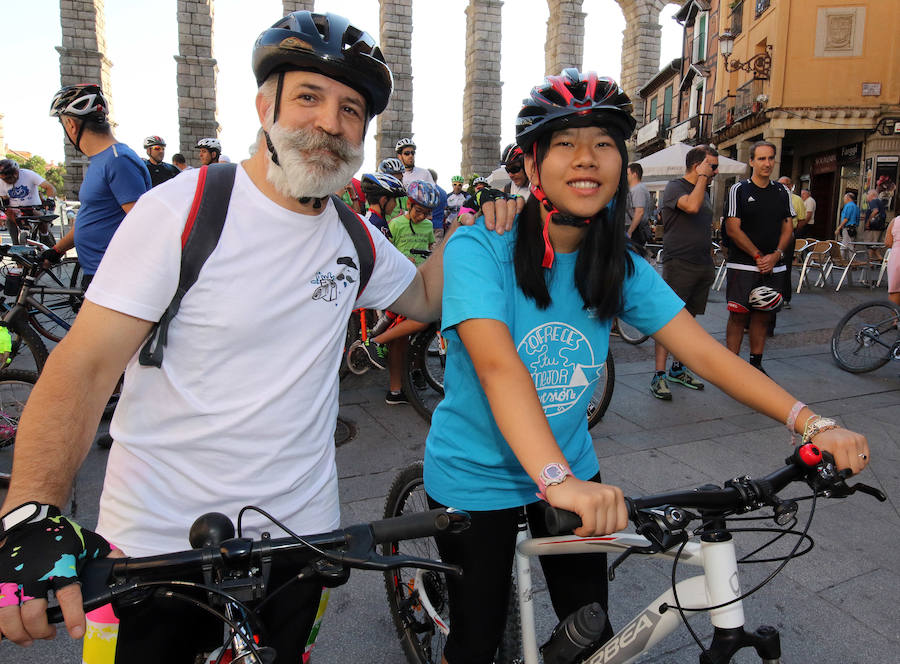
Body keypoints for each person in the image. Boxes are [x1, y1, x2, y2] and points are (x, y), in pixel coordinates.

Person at [0, 11, 472, 661]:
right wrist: (31, 514)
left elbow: (421, 295)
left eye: (351, 109)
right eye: (308, 96)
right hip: (153, 552)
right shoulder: (183, 211)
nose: (330, 123)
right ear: (264, 104)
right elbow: (81, 370)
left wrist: (472, 225)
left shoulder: (355, 236)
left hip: (300, 545)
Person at [422, 69, 869, 664]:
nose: (587, 159)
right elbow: (499, 368)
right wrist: (560, 482)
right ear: (532, 167)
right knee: (475, 642)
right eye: (565, 144)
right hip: (476, 475)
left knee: (592, 631)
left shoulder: (619, 265)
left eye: (603, 143)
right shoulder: (482, 247)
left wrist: (811, 422)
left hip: (572, 466)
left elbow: (705, 352)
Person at [39, 84, 151, 289]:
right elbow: (91, 216)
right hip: (97, 273)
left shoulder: (118, 160)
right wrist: (56, 251)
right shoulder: (102, 159)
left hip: (113, 278)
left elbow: (143, 224)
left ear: (71, 124)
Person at [650, 145, 718, 400]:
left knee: (688, 320)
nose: (715, 171)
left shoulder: (705, 190)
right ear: (697, 165)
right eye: (712, 165)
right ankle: (658, 375)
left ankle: (678, 369)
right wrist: (702, 177)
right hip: (679, 262)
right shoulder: (675, 187)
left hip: (701, 263)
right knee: (669, 320)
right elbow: (690, 207)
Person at [724, 141, 793, 375]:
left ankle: (755, 364)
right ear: (751, 161)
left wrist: (776, 255)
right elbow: (733, 228)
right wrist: (757, 256)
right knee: (738, 316)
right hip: (743, 265)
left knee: (763, 315)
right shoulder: (739, 190)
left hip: (774, 266)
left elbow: (788, 229)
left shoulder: (783, 191)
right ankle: (731, 368)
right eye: (761, 159)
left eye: (770, 158)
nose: (767, 163)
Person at [375, 180, 440, 404]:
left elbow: (430, 248)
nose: (422, 217)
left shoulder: (428, 227)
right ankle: (395, 388)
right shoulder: (396, 224)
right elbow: (385, 251)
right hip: (399, 284)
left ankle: (414, 375)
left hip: (421, 283)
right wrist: (403, 259)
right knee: (403, 338)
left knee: (419, 337)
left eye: (427, 213)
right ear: (409, 205)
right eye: (419, 211)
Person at [0, 158, 57, 246]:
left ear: (16, 172)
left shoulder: (28, 174)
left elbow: (50, 187)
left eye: (9, 178)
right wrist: (6, 208)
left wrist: (50, 199)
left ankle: (45, 236)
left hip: (33, 207)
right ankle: (16, 245)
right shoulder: (1, 182)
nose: (8, 181)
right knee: (9, 221)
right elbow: (4, 199)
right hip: (15, 210)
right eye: (5, 179)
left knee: (40, 217)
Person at [776, 175, 806, 309]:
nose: (783, 186)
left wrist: (791, 232)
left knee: (786, 265)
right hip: (774, 234)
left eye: (785, 184)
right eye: (780, 183)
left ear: (790, 185)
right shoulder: (773, 197)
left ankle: (785, 297)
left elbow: (801, 219)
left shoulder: (796, 199)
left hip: (788, 234)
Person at [360, 171, 405, 239]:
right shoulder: (372, 224)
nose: (395, 204)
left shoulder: (378, 220)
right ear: (384, 200)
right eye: (394, 200)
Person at [625, 162, 652, 250]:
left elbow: (639, 212)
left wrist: (630, 232)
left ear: (634, 174)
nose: (625, 176)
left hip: (635, 230)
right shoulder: (638, 188)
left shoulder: (638, 189)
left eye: (627, 174)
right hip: (637, 229)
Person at [835, 191, 860, 258]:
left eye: (844, 198)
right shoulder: (856, 207)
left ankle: (842, 260)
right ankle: (850, 261)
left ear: (848, 198)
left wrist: (839, 228)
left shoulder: (849, 206)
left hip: (848, 228)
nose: (844, 200)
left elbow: (846, 218)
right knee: (850, 244)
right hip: (853, 228)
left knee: (844, 245)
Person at [884, 214, 899, 306]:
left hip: (897, 257)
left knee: (895, 290)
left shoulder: (895, 221)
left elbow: (888, 243)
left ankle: (895, 319)